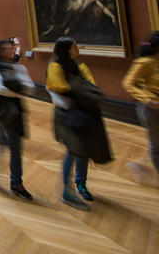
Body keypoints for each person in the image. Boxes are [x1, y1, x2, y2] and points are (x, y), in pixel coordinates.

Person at [46, 37, 112, 210]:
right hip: (66, 116)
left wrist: (78, 92)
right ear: (67, 49)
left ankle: (80, 184)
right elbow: (57, 90)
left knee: (83, 150)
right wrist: (80, 94)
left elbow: (90, 84)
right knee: (75, 151)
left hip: (82, 112)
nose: (78, 47)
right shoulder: (55, 67)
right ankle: (67, 190)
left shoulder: (79, 66)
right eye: (75, 45)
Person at [0, 39, 35, 200]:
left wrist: (15, 89)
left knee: (14, 147)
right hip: (0, 112)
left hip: (16, 111)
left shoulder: (18, 67)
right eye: (5, 49)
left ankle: (16, 183)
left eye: (11, 48)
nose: (9, 51)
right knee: (6, 144)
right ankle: (6, 176)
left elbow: (30, 88)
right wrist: (19, 90)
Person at [122, 36, 159, 185]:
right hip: (151, 108)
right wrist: (147, 100)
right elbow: (128, 83)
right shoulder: (144, 62)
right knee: (156, 144)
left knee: (156, 141)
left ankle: (139, 166)